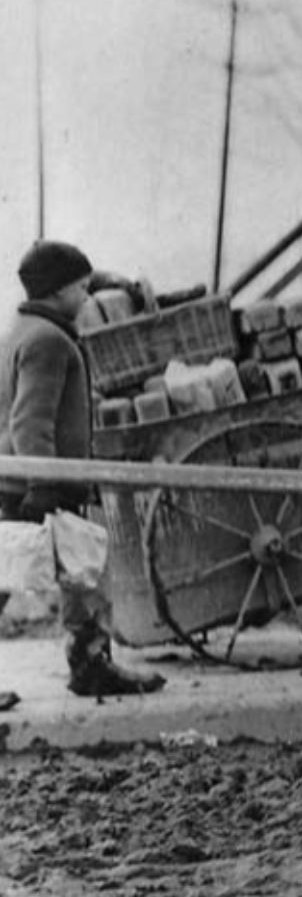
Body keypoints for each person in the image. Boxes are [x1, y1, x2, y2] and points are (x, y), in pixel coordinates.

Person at [0, 240, 165, 697]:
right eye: (80, 288)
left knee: (78, 575)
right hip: (43, 482)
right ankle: (90, 662)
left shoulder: (25, 327)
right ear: (56, 292)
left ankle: (91, 662)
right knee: (65, 572)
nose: (87, 296)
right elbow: (30, 420)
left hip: (28, 478)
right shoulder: (48, 341)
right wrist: (45, 484)